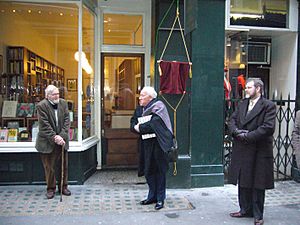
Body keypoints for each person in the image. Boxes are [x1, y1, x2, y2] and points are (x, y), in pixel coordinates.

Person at [228, 78, 276, 225]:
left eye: (249, 87)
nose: (246, 90)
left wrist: (247, 136)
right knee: (243, 180)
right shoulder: (243, 103)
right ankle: (244, 209)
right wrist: (236, 132)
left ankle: (258, 215)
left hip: (258, 150)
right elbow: (232, 120)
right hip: (242, 148)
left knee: (257, 183)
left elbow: (268, 127)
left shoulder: (268, 106)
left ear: (258, 89)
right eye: (246, 88)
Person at [130, 86, 173, 210]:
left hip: (159, 145)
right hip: (145, 145)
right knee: (148, 171)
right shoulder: (139, 109)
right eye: (140, 95)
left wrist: (139, 127)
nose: (140, 97)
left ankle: (160, 199)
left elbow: (154, 125)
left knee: (160, 172)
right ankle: (152, 196)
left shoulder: (159, 107)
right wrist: (135, 127)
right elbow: (132, 123)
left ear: (150, 97)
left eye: (143, 95)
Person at [35, 84, 71, 199]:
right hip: (47, 142)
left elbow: (67, 120)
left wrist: (61, 136)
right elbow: (44, 125)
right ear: (47, 96)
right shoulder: (41, 106)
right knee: (49, 167)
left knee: (63, 165)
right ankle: (50, 188)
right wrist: (55, 137)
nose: (57, 96)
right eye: (54, 94)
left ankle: (63, 186)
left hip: (62, 140)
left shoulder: (63, 103)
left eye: (58, 94)